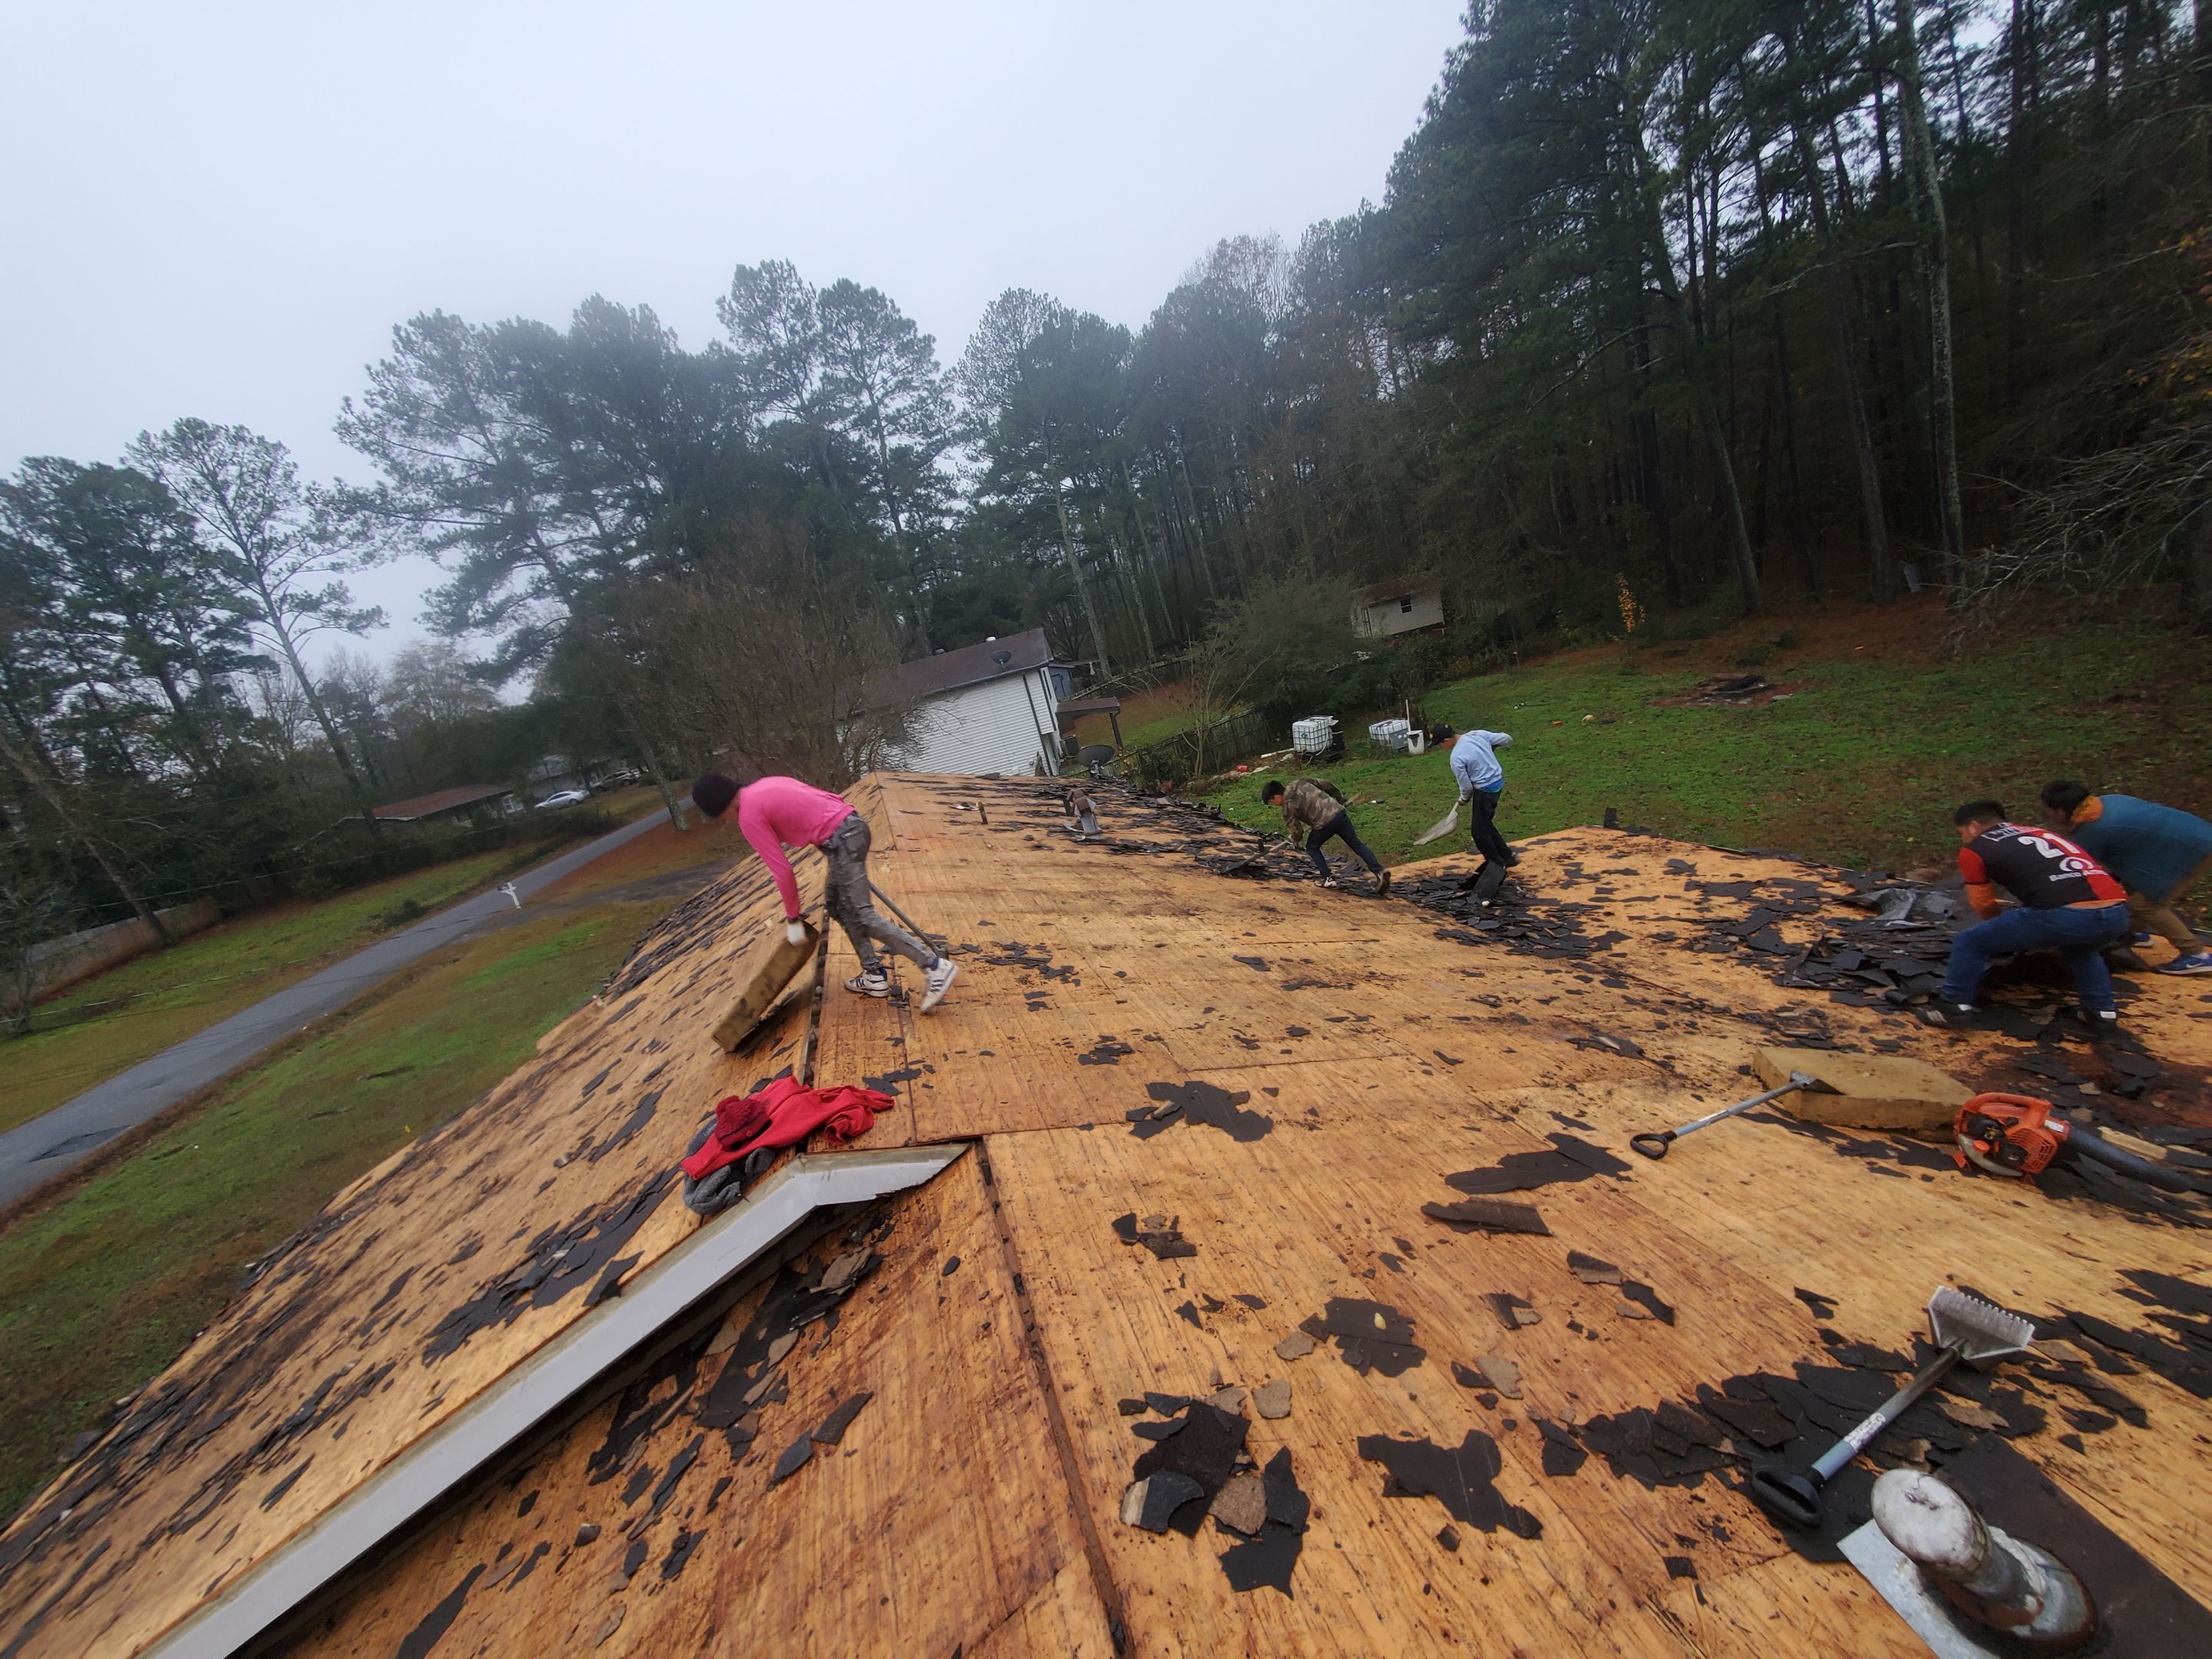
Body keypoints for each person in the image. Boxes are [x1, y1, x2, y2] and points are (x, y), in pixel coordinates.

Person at [693, 771, 958, 1012]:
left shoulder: (748, 815)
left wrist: (793, 917)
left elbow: (783, 871)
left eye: (719, 816)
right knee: (838, 906)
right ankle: (874, 974)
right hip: (850, 829)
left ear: (721, 807)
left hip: (842, 840)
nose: (725, 820)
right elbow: (827, 798)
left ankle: (934, 966)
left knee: (863, 915)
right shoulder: (766, 784)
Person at [1920, 800, 2128, 1030]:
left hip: (2064, 915)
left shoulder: (1975, 849)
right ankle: (2101, 1013)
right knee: (2082, 950)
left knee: (1970, 942)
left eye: (1962, 833)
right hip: (2116, 912)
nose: (1963, 839)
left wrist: (2001, 933)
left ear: (1973, 826)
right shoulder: (2040, 832)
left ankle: (1953, 1008)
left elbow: (1983, 903)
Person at [2038, 781, 2212, 975]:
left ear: (2061, 812)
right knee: (2131, 885)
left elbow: (2075, 873)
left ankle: (2195, 955)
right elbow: (2130, 845)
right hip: (2194, 835)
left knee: (2145, 905)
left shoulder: (2092, 831)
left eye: (2047, 812)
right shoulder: (2108, 801)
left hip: (2192, 851)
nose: (2047, 817)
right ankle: (2134, 932)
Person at [1261, 777, 1389, 896]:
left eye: (1272, 802)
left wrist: (1295, 840)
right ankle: (1379, 872)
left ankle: (1327, 878)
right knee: (1357, 845)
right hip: (1339, 813)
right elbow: (1326, 785)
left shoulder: (1287, 807)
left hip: (1324, 823)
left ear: (1276, 797)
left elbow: (1296, 830)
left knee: (1312, 847)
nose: (1274, 804)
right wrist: (1339, 799)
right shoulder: (1300, 782)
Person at [1448, 727, 1515, 871]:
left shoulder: (1456, 757)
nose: (1440, 747)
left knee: (1478, 833)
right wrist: (1490, 745)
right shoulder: (1477, 734)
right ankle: (1507, 856)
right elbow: (1507, 738)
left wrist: (1464, 799)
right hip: (1497, 783)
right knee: (1485, 824)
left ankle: (1497, 865)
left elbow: (1466, 788)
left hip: (1485, 791)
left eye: (1439, 744)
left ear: (1447, 740)